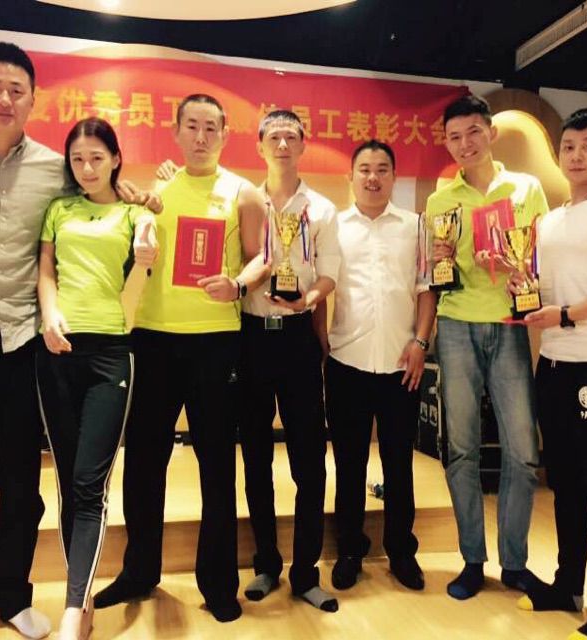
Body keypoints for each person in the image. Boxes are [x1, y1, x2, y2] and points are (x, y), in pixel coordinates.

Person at [93, 94, 268, 622]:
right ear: (175, 131)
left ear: (225, 134)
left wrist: (237, 284)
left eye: (211, 127)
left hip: (216, 342)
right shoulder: (158, 189)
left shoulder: (243, 192)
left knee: (216, 465)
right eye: (191, 126)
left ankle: (218, 584)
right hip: (153, 339)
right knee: (144, 462)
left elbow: (262, 256)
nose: (200, 136)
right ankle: (139, 571)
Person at [35, 116, 157, 640]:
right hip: (56, 351)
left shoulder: (133, 213)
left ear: (116, 160)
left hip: (111, 355)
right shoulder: (58, 209)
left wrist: (148, 238)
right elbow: (46, 271)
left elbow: (149, 248)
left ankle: (70, 613)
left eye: (97, 158)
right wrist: (49, 314)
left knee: (90, 483)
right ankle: (80, 600)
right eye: (78, 159)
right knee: (68, 481)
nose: (86, 168)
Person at [426, 95, 548, 600]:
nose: (465, 144)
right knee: (461, 448)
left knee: (523, 451)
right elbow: (436, 273)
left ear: (491, 133)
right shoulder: (440, 201)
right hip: (456, 324)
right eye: (454, 137)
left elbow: (541, 254)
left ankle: (514, 563)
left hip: (510, 325)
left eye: (473, 132)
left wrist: (518, 265)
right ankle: (472, 559)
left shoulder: (526, 188)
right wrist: (443, 256)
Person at [0, 41, 65, 639]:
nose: (5, 98)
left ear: (32, 99)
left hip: (21, 346)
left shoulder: (55, 169)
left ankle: (11, 598)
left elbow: (97, 205)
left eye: (17, 89)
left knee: (22, 488)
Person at [237, 110, 340, 612]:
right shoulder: (243, 201)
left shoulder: (321, 209)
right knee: (256, 458)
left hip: (298, 339)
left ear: (303, 145)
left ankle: (305, 572)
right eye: (274, 136)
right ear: (259, 145)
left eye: (291, 137)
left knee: (309, 461)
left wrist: (308, 301)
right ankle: (265, 564)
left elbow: (329, 274)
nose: (282, 144)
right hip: (250, 338)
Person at [323, 140, 436, 592]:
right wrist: (322, 347)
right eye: (365, 169)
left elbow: (426, 288)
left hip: (401, 365)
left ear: (393, 176)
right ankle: (350, 550)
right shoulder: (334, 226)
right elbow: (321, 287)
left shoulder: (415, 226)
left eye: (382, 169)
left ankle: (401, 551)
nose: (373, 177)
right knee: (348, 464)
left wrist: (421, 343)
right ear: (351, 176)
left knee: (398, 464)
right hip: (346, 361)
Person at [514, 108, 587, 640]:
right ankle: (567, 584)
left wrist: (567, 315)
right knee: (565, 482)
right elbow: (541, 289)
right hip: (553, 364)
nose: (576, 156)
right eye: (568, 146)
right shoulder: (549, 221)